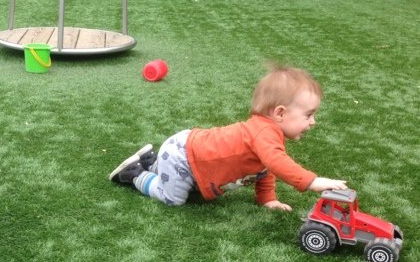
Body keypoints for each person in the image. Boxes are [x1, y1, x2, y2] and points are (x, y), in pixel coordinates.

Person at [109, 65, 347, 210]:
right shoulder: (263, 133)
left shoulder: (267, 133)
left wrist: (267, 199)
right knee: (173, 199)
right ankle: (134, 173)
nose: (313, 122)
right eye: (309, 115)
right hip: (182, 156)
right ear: (280, 113)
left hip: (187, 149)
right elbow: (276, 163)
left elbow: (264, 169)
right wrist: (312, 181)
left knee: (185, 184)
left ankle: (151, 161)